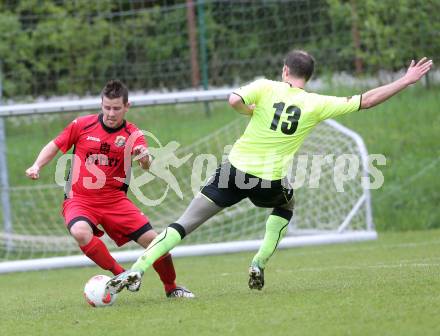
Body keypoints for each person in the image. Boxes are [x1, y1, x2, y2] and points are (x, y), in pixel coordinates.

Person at [106, 51, 433, 294]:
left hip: (231, 170)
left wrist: (249, 109)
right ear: (308, 76)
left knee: (183, 224)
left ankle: (138, 268)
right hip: (267, 180)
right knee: (286, 206)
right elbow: (366, 100)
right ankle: (258, 262)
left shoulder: (265, 87)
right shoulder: (316, 103)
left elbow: (233, 99)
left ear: (285, 71)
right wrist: (406, 79)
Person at [25, 79, 194, 298]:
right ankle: (121, 274)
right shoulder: (82, 125)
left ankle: (171, 287)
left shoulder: (133, 134)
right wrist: (36, 165)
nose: (111, 113)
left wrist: (144, 158)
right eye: (106, 107)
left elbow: (147, 161)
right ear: (101, 104)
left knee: (156, 244)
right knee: (79, 231)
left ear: (127, 107)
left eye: (116, 108)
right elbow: (54, 145)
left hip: (115, 201)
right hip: (80, 200)